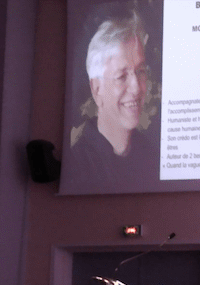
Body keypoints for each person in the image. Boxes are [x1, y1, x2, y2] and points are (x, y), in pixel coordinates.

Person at [64, 7, 158, 192]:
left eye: (140, 72)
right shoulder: (77, 162)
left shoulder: (150, 155)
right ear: (96, 89)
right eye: (122, 76)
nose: (137, 87)